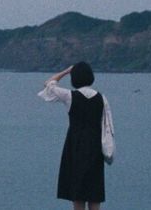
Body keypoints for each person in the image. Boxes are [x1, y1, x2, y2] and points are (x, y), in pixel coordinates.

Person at [39, 62, 114, 210]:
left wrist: (66, 71)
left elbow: (48, 84)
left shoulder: (70, 96)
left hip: (75, 145)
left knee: (77, 192)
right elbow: (107, 124)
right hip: (95, 146)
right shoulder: (102, 98)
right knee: (94, 192)